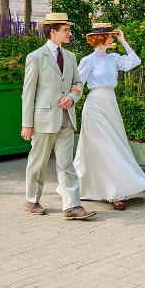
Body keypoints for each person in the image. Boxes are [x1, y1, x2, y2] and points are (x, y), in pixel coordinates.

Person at [21, 12, 95, 220]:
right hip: (43, 119)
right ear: (53, 32)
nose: (70, 33)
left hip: (66, 117)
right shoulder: (35, 57)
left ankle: (72, 206)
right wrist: (27, 124)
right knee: (39, 162)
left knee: (66, 163)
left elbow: (78, 83)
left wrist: (73, 97)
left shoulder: (70, 57)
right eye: (66, 30)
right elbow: (28, 93)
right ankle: (32, 200)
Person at [73, 22, 145, 210]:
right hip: (95, 105)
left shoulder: (114, 58)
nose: (112, 38)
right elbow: (77, 83)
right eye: (110, 36)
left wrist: (124, 41)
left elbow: (135, 61)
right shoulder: (87, 60)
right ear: (100, 39)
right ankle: (114, 193)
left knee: (115, 143)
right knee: (102, 145)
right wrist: (69, 99)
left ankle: (112, 187)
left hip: (110, 103)